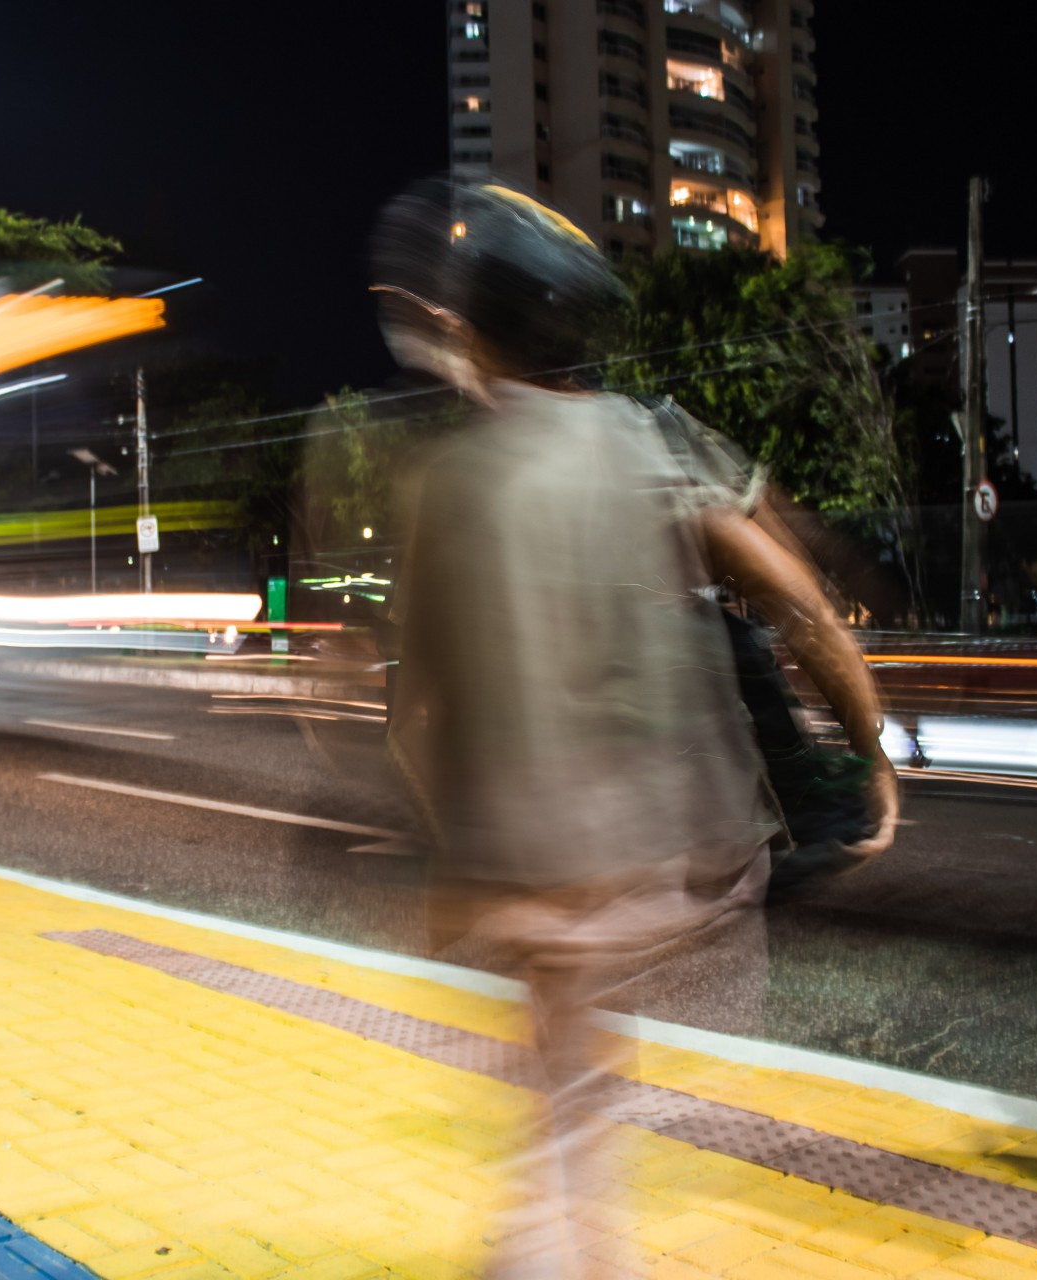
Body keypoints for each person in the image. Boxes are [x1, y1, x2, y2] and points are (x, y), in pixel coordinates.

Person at [372, 178, 897, 1278]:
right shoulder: (649, 442)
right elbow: (797, 605)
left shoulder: (447, 482)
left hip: (528, 880)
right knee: (594, 1109)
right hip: (676, 872)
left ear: (480, 331)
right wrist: (868, 748)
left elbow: (408, 713)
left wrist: (470, 837)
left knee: (566, 1106)